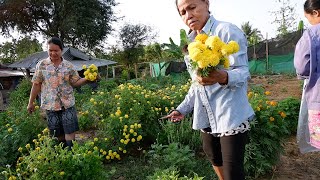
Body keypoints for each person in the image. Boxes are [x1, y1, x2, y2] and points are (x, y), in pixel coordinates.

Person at [164, 0, 255, 179]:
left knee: (232, 173)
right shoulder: (191, 44)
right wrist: (181, 109)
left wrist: (223, 76)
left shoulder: (226, 31)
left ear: (206, 3)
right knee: (215, 160)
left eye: (192, 7)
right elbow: (196, 85)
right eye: (182, 12)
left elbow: (244, 72)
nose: (188, 15)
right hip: (206, 117)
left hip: (230, 114)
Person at [27, 37, 89, 150]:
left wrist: (88, 79)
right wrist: (30, 103)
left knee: (70, 131)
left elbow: (75, 82)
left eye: (56, 50)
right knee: (56, 133)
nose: (53, 53)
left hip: (67, 104)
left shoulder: (68, 66)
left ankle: (71, 155)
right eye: (50, 50)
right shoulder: (42, 65)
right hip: (51, 105)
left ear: (61, 50)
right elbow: (36, 84)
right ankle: (60, 157)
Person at [294, 0, 320, 153]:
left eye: (308, 17)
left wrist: (303, 75)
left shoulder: (312, 34)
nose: (308, 21)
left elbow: (301, 65)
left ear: (316, 12)